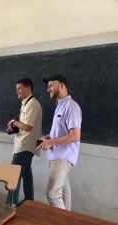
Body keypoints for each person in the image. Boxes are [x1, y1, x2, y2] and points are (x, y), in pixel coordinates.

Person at [38, 74, 82, 210]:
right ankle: (67, 219)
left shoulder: (71, 106)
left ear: (62, 86)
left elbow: (75, 135)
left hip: (63, 157)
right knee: (63, 191)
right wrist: (49, 137)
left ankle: (61, 221)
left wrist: (51, 143)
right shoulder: (60, 105)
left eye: (51, 85)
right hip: (57, 155)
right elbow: (63, 131)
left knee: (52, 193)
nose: (48, 89)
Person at [6, 78, 42, 207]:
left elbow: (28, 127)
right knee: (26, 174)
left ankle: (10, 205)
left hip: (25, 146)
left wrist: (14, 122)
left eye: (19, 88)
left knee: (12, 176)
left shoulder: (33, 104)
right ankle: (29, 202)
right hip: (24, 144)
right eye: (16, 89)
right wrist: (14, 126)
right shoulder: (26, 103)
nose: (17, 91)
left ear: (28, 88)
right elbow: (24, 126)